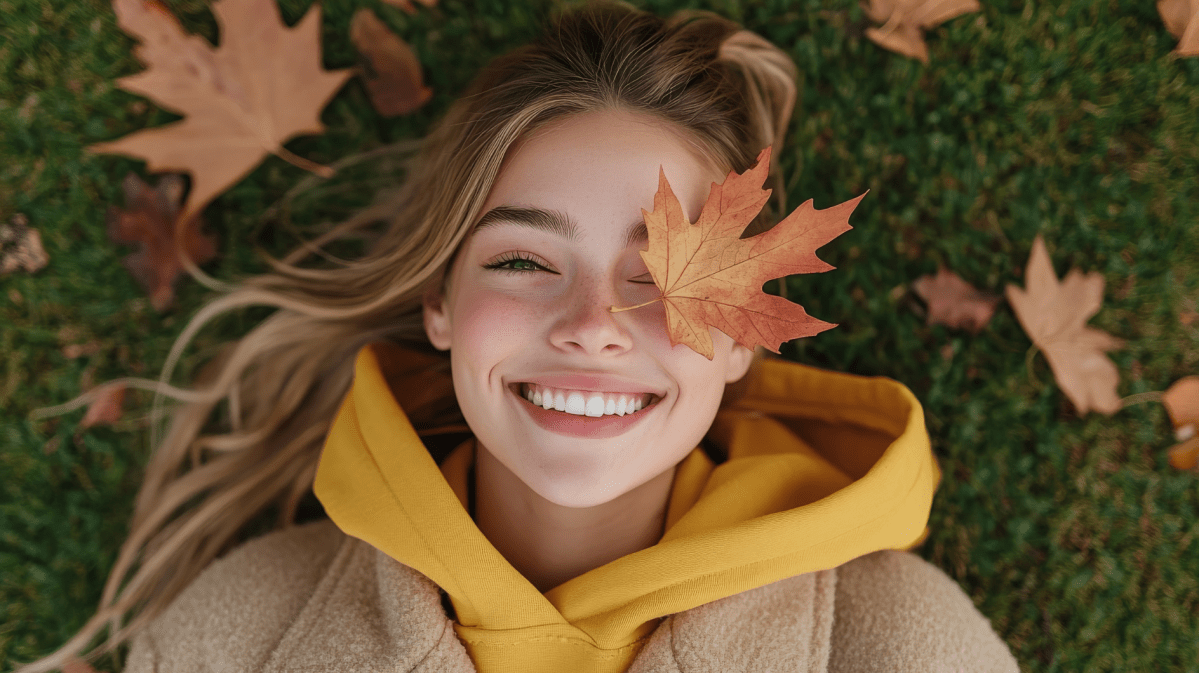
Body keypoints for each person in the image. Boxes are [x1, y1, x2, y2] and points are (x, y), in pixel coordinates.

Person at [20, 1, 1021, 671]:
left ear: (741, 335)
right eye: (521, 262)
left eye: (657, 277)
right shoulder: (236, 633)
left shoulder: (903, 643)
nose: (591, 326)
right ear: (439, 302)